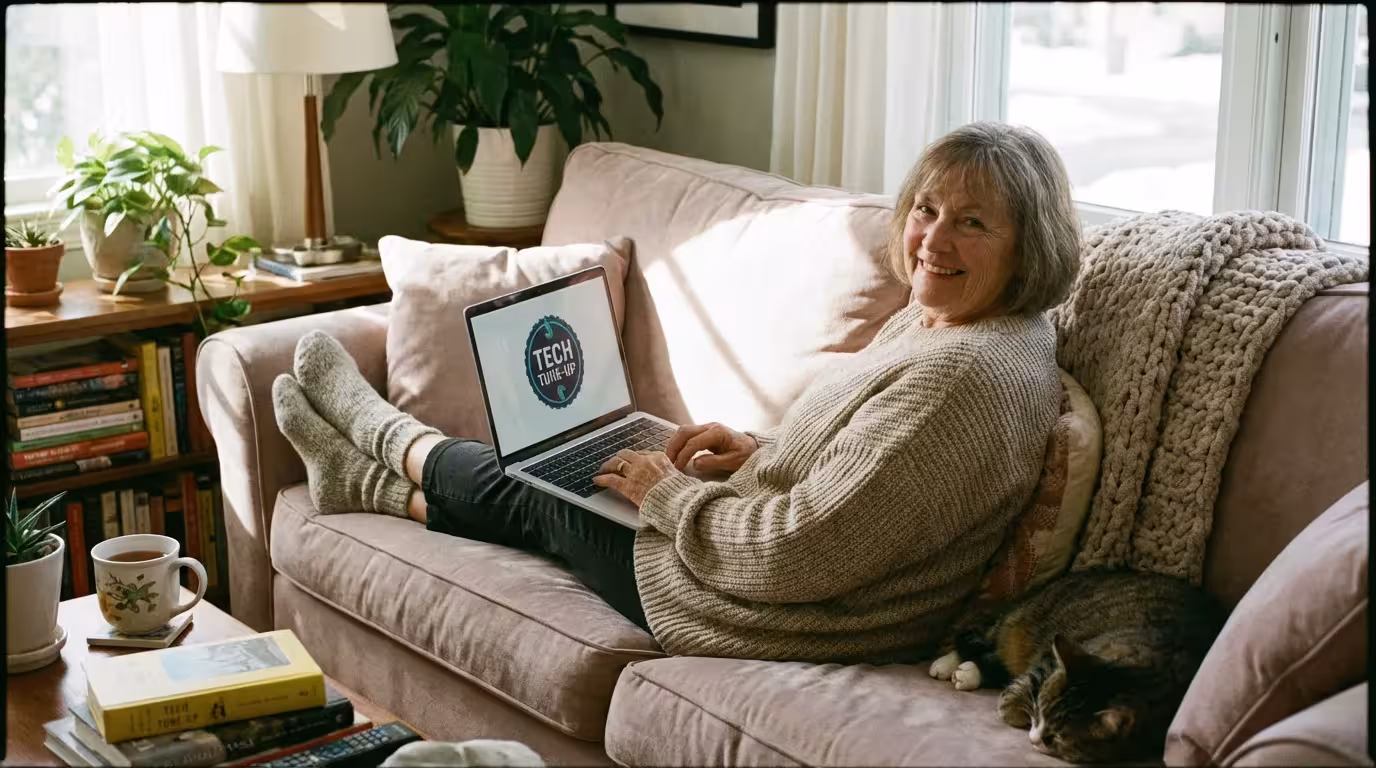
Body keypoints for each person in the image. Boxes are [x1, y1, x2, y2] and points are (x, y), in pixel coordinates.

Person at [272, 121, 1082, 664]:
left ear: (1029, 245)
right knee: (600, 457)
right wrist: (755, 454)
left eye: (972, 224)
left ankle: (378, 440)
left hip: (774, 612)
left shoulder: (967, 377)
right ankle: (370, 484)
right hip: (771, 552)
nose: (933, 240)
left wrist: (668, 498)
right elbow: (868, 478)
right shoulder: (953, 320)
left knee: (553, 491)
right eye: (926, 210)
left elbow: (798, 554)